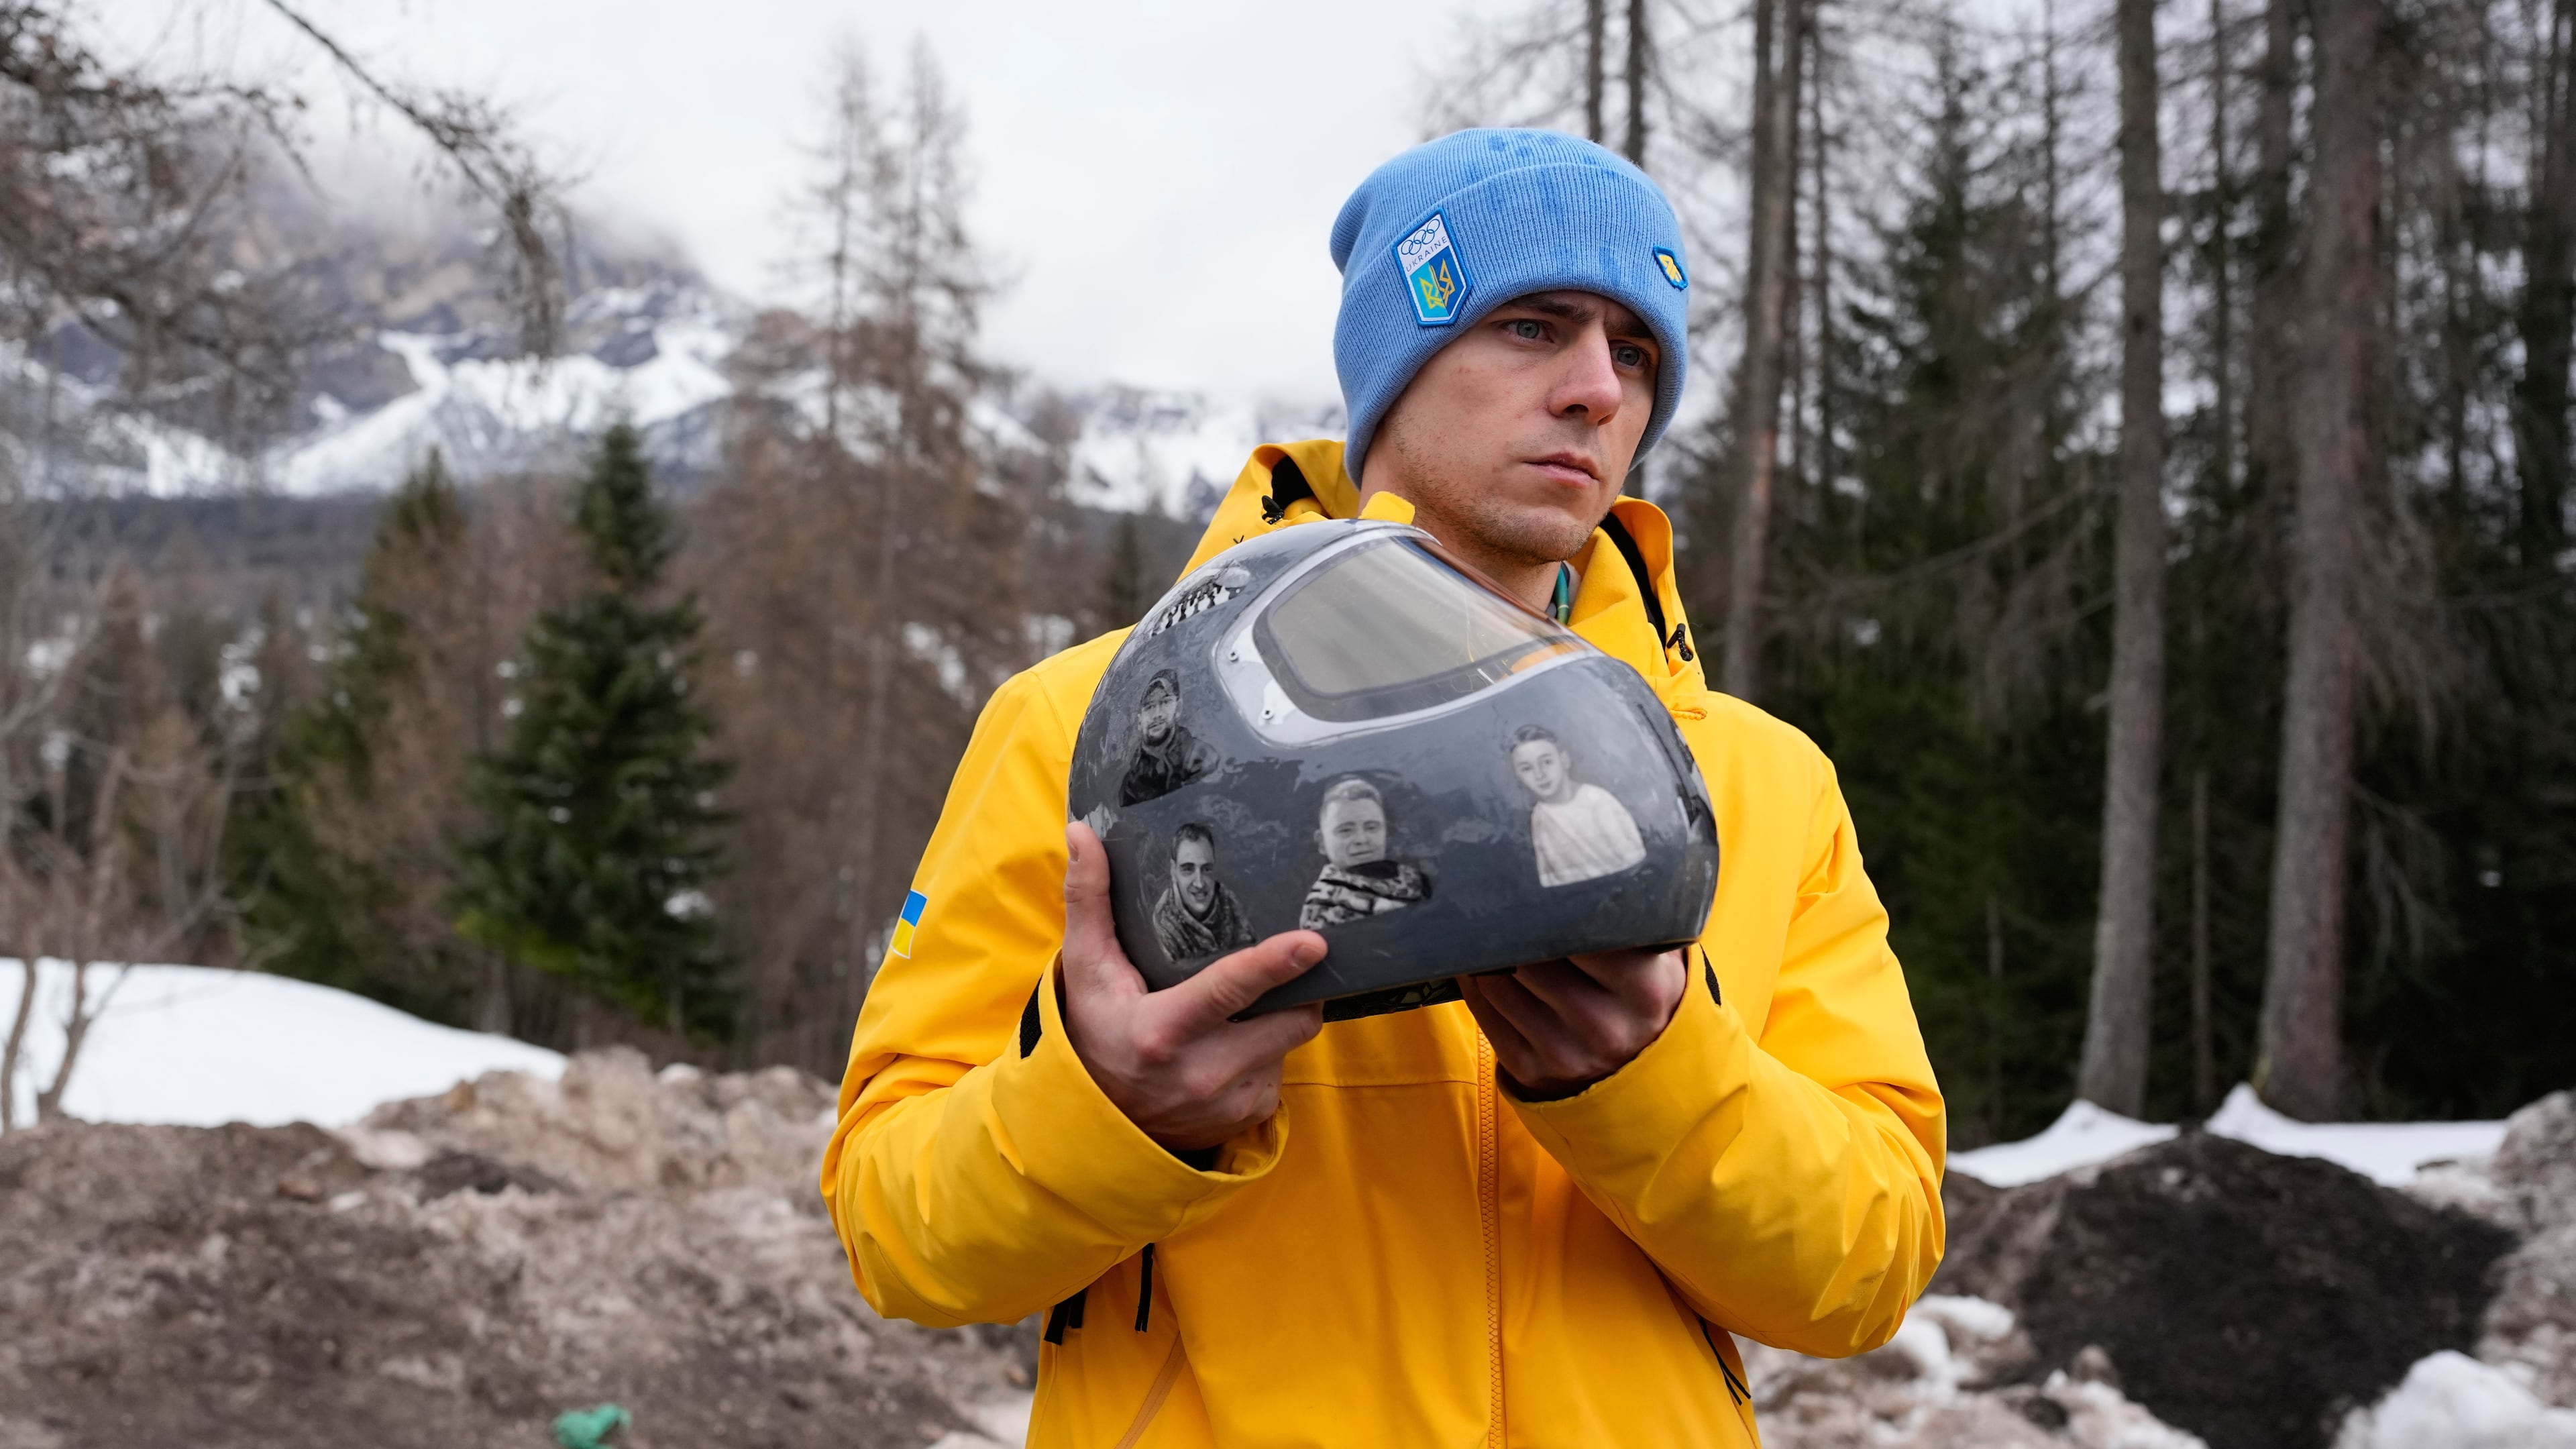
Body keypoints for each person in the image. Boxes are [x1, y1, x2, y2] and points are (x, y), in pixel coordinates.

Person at [823, 129, 1945, 1448]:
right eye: (1533, 326)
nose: (1598, 388)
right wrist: (1105, 1109)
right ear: (1393, 363)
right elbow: (897, 1233)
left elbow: (1872, 1264)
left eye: (1636, 352)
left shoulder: (1756, 783)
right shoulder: (1094, 729)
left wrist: (1659, 1083)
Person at [1509, 724, 1648, 885]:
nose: (1539, 775)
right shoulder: (1539, 816)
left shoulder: (1597, 801)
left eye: (1546, 762)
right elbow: (1550, 878)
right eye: (1527, 769)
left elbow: (1635, 862)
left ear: (1564, 761)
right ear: (1518, 776)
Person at [1297, 777, 1432, 928]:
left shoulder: (1414, 878)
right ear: (1322, 842)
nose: (1362, 839)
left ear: (1386, 833)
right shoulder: (1323, 906)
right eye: (1346, 830)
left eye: (1372, 827)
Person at [1151, 823, 1255, 965]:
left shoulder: (1228, 901)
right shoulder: (1164, 924)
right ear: (1173, 871)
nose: (1199, 884)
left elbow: (1251, 949)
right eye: (1188, 869)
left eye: (1207, 869)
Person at [1118, 668, 1211, 806]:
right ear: (1139, 721)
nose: (1157, 714)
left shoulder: (1201, 758)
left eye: (1165, 702)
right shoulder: (1130, 781)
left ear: (1178, 709)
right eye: (1149, 707)